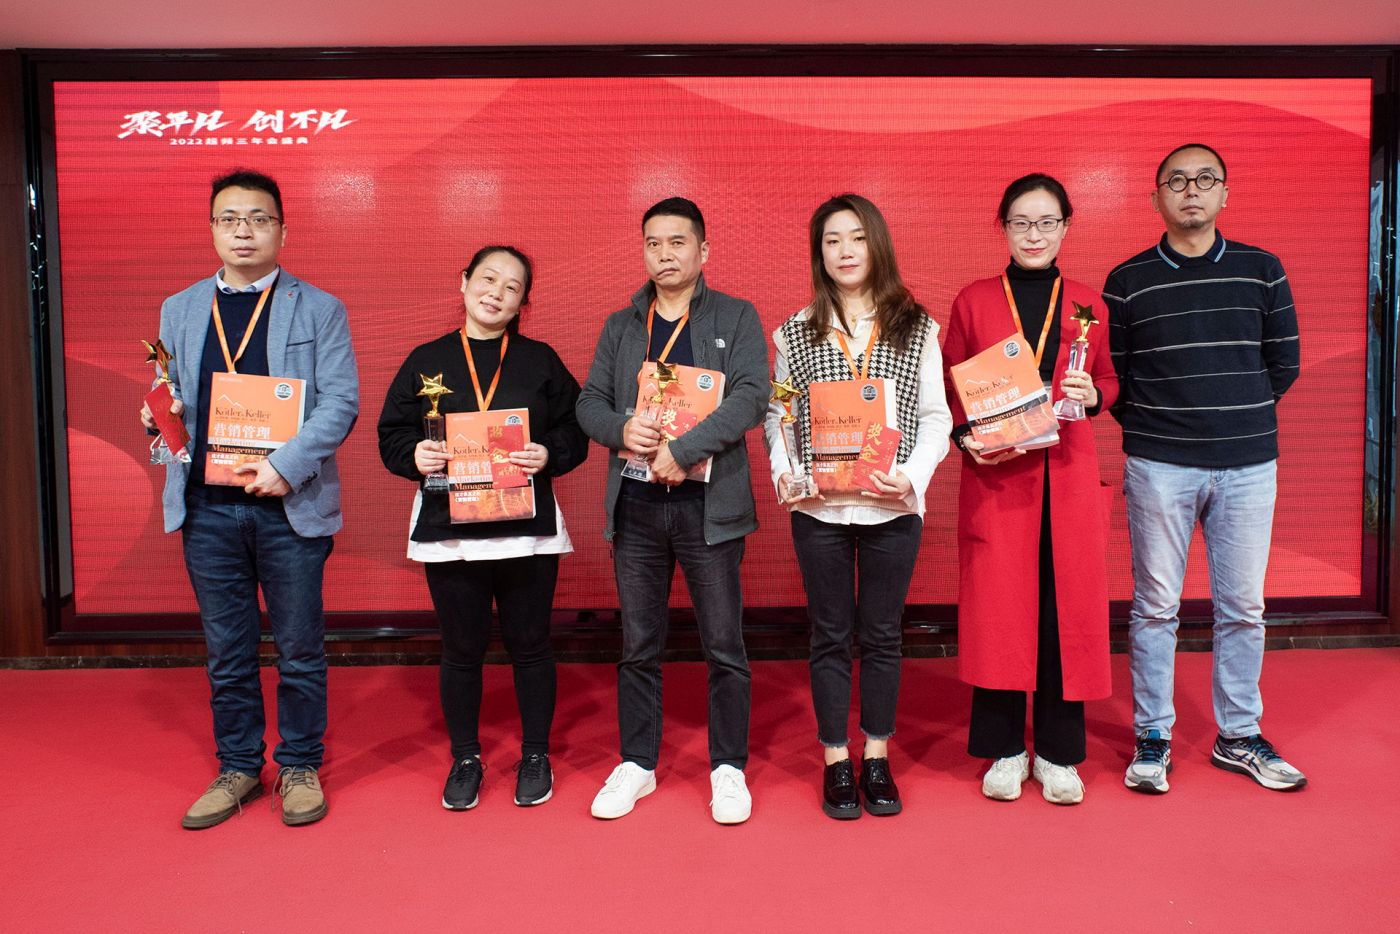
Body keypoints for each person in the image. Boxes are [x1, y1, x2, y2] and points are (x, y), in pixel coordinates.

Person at [140, 169, 359, 829]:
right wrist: (159, 419)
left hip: (289, 505)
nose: (244, 230)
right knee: (227, 650)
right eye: (230, 218)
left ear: (282, 231)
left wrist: (285, 467)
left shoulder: (319, 307)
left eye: (259, 219)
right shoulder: (180, 308)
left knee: (299, 649)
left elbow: (341, 402)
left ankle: (299, 764)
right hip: (207, 507)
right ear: (212, 229)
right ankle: (237, 765)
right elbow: (174, 395)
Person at [1105, 143, 1306, 794]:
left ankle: (1238, 735)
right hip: (1159, 464)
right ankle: (1153, 737)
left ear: (1225, 193)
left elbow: (1284, 364)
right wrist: (1164, 427)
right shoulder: (1127, 280)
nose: (1191, 190)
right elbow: (1115, 378)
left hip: (1248, 464)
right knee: (1155, 606)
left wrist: (1232, 417)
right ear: (1156, 196)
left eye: (1205, 179)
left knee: (1243, 607)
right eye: (1177, 181)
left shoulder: (1262, 270)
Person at [575, 197, 768, 824]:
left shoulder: (736, 315)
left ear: (703, 251)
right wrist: (620, 430)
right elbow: (589, 402)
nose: (665, 254)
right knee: (638, 643)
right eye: (653, 243)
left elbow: (752, 396)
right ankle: (637, 763)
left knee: (724, 644)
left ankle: (728, 767)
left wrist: (683, 450)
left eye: (678, 242)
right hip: (635, 504)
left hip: (709, 505)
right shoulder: (621, 325)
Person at [377, 246, 588, 811]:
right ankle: (466, 757)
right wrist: (414, 455)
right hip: (450, 529)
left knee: (531, 646)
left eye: (511, 287)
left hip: (527, 527)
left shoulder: (540, 360)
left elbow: (576, 429)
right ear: (464, 282)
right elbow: (391, 434)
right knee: (462, 649)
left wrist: (550, 453)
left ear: (523, 303)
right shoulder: (426, 359)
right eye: (488, 279)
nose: (496, 292)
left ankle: (536, 754)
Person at [763, 194, 951, 819]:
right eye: (831, 240)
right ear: (818, 253)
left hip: (890, 506)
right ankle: (835, 758)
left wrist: (911, 477)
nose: (845, 251)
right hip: (819, 509)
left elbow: (936, 418)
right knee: (829, 633)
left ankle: (876, 754)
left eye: (857, 238)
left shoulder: (917, 327)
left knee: (882, 634)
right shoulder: (794, 332)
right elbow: (779, 415)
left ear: (877, 245)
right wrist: (787, 473)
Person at [943, 173, 1117, 805]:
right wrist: (965, 436)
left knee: (1062, 608)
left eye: (1047, 222)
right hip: (1000, 474)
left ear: (1066, 226)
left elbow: (1109, 381)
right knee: (1000, 610)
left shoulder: (1090, 303)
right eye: (1021, 223)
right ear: (1004, 228)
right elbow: (949, 382)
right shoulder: (974, 300)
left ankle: (1058, 753)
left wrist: (1093, 395)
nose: (1034, 235)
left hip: (1067, 473)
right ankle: (1005, 749)